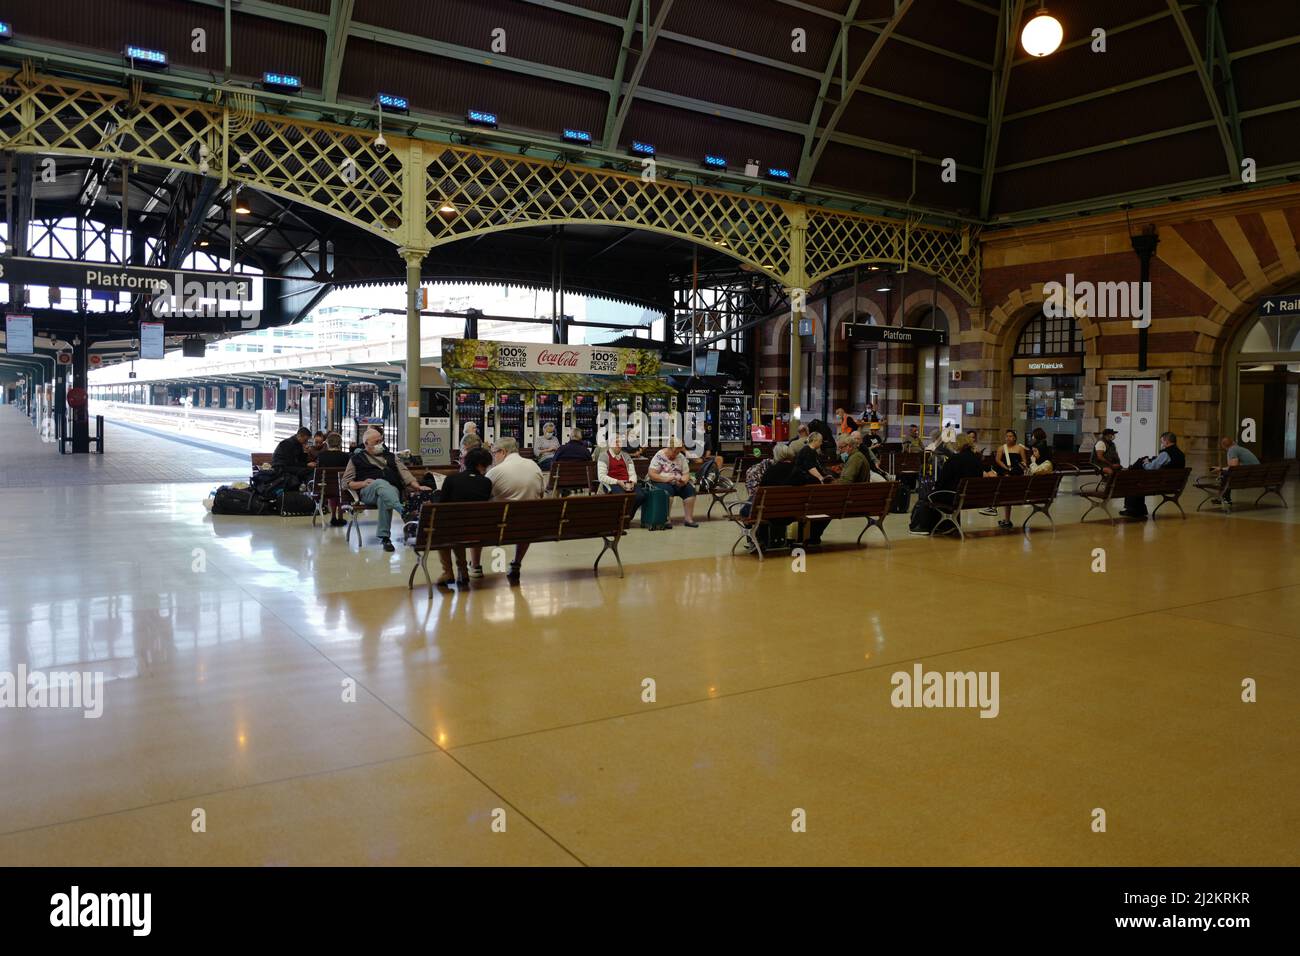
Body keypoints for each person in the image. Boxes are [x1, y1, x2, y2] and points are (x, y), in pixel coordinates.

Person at [342, 427, 433, 552]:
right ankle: (404, 511)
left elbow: (404, 472)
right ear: (366, 444)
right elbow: (345, 483)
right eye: (376, 442)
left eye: (381, 441)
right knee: (380, 483)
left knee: (384, 497)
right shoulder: (356, 459)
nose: (380, 444)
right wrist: (362, 483)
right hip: (368, 492)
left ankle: (385, 538)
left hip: (390, 491)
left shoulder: (390, 456)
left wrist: (416, 486)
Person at [475, 437, 546, 583]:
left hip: (498, 526)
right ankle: (516, 563)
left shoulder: (496, 471)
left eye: (494, 453)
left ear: (503, 451)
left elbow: (481, 498)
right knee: (526, 519)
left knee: (477, 517)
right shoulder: (534, 466)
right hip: (528, 526)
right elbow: (541, 494)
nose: (494, 457)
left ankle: (475, 566)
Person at [435, 446, 495, 587]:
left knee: (447, 530)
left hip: (454, 530)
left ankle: (448, 572)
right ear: (481, 465)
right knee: (459, 529)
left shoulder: (451, 479)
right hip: (477, 530)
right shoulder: (486, 483)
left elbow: (442, 505)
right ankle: (462, 570)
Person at [912, 432, 989, 535]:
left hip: (954, 496)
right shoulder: (976, 459)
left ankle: (922, 526)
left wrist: (935, 488)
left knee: (928, 497)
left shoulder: (955, 459)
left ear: (958, 444)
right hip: (971, 497)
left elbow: (942, 481)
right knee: (937, 495)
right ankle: (947, 525)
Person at [1119, 432, 1185, 518]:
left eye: (1162, 442)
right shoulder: (1181, 454)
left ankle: (1132, 509)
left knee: (1134, 478)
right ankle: (1139, 509)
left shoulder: (1166, 453)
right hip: (1173, 484)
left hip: (1159, 484)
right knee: (1137, 476)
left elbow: (1150, 468)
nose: (1161, 444)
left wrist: (1145, 462)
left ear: (1167, 441)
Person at [647, 440, 699, 528]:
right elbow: (652, 474)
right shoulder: (660, 456)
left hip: (677, 481)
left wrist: (684, 481)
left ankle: (688, 519)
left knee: (690, 490)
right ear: (669, 448)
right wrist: (667, 479)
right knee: (668, 491)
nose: (676, 454)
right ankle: (666, 519)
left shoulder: (680, 457)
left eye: (678, 451)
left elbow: (686, 473)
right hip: (661, 481)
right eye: (675, 451)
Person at [597, 435, 645, 518]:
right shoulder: (604, 456)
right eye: (616, 442)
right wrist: (618, 482)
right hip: (612, 483)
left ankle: (628, 516)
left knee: (640, 496)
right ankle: (621, 518)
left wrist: (632, 482)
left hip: (627, 482)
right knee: (622, 497)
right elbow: (601, 476)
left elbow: (632, 472)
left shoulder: (626, 456)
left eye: (620, 442)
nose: (619, 444)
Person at [991, 429, 1029, 528]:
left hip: (1016, 474)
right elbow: (998, 461)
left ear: (1015, 438)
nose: (1008, 438)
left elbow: (1024, 462)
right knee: (1006, 494)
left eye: (1011, 436)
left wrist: (1019, 467)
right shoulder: (1001, 448)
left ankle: (1006, 519)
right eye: (1007, 436)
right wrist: (1006, 468)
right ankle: (1007, 519)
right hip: (1005, 474)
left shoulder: (1020, 449)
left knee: (1008, 495)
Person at [1209, 435, 1260, 505]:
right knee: (1225, 474)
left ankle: (1224, 498)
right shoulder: (1240, 449)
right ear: (1233, 442)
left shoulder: (1232, 449)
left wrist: (1220, 469)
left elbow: (1233, 467)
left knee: (1224, 474)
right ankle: (1224, 498)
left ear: (1223, 446)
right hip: (1257, 475)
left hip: (1249, 476)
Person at [314, 431, 351, 527]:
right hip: (341, 488)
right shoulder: (345, 456)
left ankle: (333, 516)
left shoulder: (321, 456)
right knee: (339, 490)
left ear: (327, 443)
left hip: (325, 488)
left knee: (332, 489)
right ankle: (340, 516)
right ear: (340, 443)